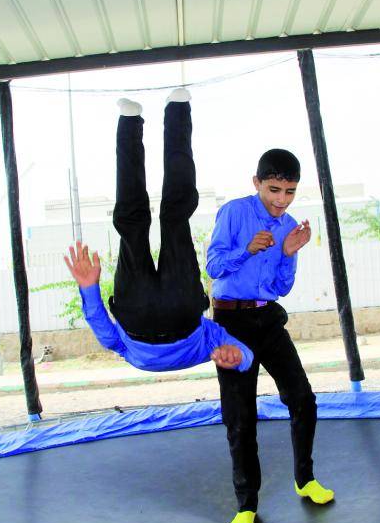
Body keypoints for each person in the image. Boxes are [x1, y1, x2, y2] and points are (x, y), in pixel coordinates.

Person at [64, 89, 253, 374]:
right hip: (172, 309)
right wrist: (239, 358)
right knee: (156, 221)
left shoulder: (196, 347)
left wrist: (89, 288)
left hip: (150, 307)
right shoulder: (210, 346)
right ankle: (169, 113)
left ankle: (142, 119)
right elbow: (246, 355)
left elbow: (105, 334)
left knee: (146, 222)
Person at [207, 148, 333, 523]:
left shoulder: (289, 226)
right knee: (240, 415)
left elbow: (280, 287)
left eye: (290, 191)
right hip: (231, 322)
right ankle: (246, 504)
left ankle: (304, 479)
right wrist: (247, 250)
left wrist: (289, 253)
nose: (282, 200)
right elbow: (213, 266)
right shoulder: (234, 213)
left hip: (268, 318)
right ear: (257, 183)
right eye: (274, 189)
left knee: (303, 399)